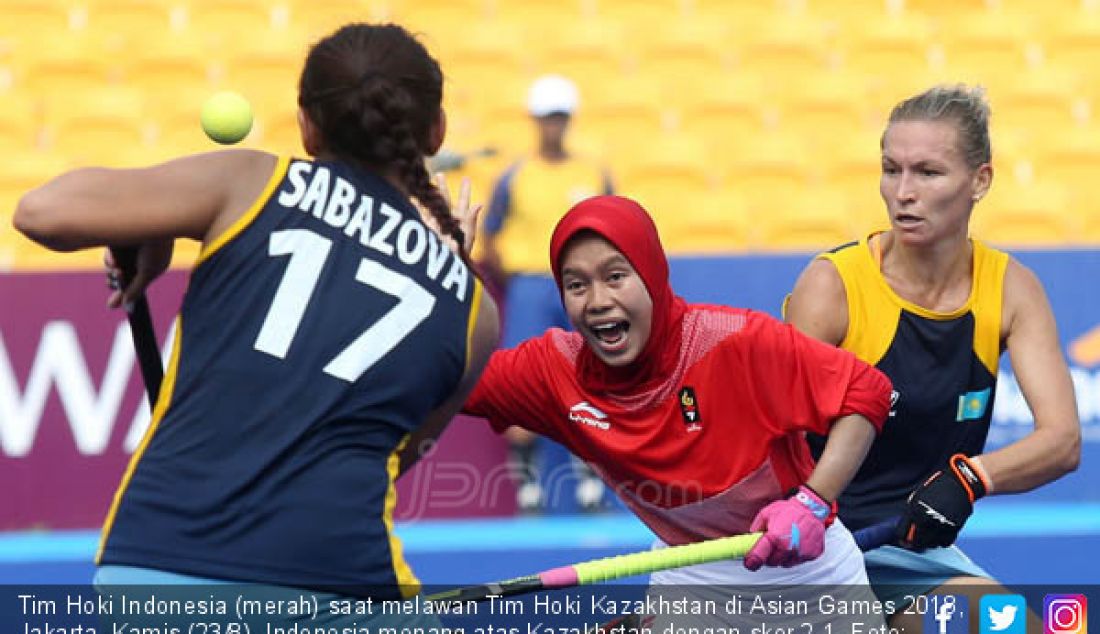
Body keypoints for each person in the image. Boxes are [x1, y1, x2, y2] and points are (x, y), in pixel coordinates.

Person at [15, 22, 498, 629]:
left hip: (149, 572)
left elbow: (41, 212)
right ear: (436, 131)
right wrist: (444, 272)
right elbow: (393, 459)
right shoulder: (475, 313)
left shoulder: (249, 182)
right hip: (340, 585)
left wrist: (154, 223)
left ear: (307, 125)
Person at [410, 194, 894, 630]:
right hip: (692, 582)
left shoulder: (735, 342)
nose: (598, 301)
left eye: (615, 276)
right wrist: (439, 280)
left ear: (652, 274)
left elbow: (867, 391)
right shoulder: (553, 371)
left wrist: (811, 501)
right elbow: (433, 379)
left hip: (811, 583)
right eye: (576, 285)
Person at [785, 84, 1081, 626]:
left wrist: (973, 478)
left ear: (980, 181)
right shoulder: (833, 286)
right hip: (804, 550)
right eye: (890, 169)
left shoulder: (1013, 289)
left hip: (908, 558)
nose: (903, 192)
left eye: (927, 172)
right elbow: (770, 437)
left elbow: (1061, 442)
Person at [480, 74, 615, 513]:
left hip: (580, 284)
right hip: (532, 284)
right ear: (536, 121)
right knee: (523, 382)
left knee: (593, 378)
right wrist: (515, 281)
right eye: (545, 118)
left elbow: (614, 227)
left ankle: (590, 485)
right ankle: (529, 487)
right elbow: (492, 235)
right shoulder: (516, 176)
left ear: (569, 120)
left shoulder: (592, 172)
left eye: (559, 117)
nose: (552, 126)